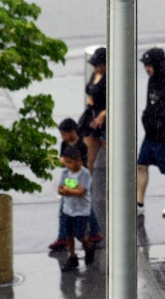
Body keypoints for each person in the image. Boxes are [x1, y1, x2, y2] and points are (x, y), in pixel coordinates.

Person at [136, 48, 165, 216]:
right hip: (151, 134)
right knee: (141, 165)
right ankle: (139, 203)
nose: (147, 68)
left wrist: (162, 124)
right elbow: (150, 105)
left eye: (149, 65)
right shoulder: (152, 81)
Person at [49, 118, 103, 251]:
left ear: (72, 131)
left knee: (73, 207)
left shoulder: (81, 146)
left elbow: (72, 162)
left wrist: (65, 161)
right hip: (69, 178)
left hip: (80, 179)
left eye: (64, 134)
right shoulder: (64, 144)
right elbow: (63, 159)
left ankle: (63, 237)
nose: (63, 137)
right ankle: (94, 232)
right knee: (82, 207)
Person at [58, 145, 95, 272]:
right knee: (68, 234)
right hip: (68, 209)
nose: (67, 165)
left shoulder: (85, 174)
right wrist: (69, 190)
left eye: (70, 162)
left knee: (80, 234)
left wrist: (68, 190)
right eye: (66, 162)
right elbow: (60, 189)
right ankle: (72, 256)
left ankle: (88, 247)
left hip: (81, 211)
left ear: (78, 161)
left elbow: (81, 192)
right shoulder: (65, 173)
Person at [78, 47, 107, 174]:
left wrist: (103, 114)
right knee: (86, 159)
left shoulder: (111, 78)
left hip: (105, 119)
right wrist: (91, 97)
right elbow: (90, 89)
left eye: (98, 65)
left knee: (114, 158)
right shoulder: (95, 74)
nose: (95, 68)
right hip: (92, 116)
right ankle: (85, 189)